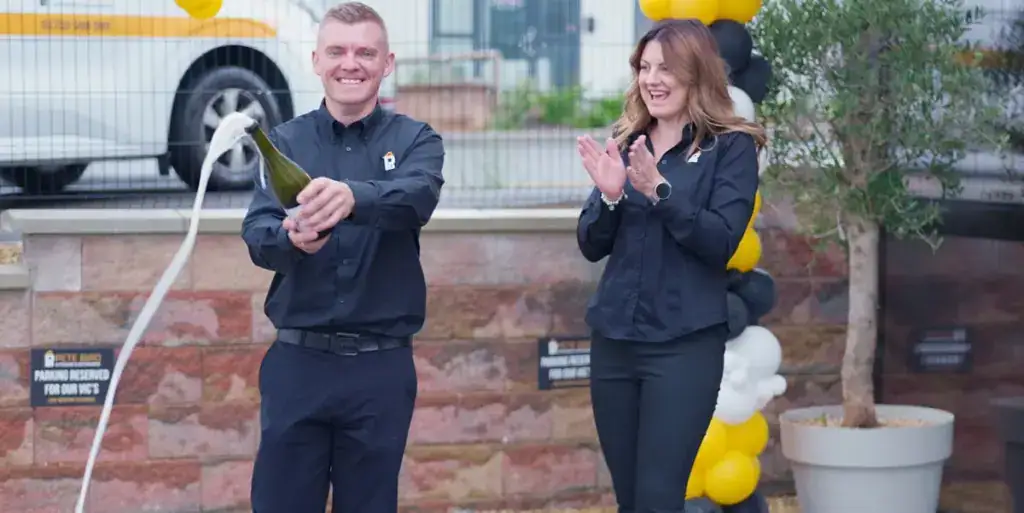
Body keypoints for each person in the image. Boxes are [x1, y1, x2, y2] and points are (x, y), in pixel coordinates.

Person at [240, 2, 445, 512]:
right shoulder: (284, 142)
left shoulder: (417, 140)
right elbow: (257, 232)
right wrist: (291, 239)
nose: (350, 63)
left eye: (364, 52)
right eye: (337, 51)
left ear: (387, 62)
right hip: (298, 364)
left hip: (380, 369)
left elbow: (417, 197)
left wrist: (355, 197)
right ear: (316, 60)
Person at [575, 18, 767, 513]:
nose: (652, 79)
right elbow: (591, 244)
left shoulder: (732, 147)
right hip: (615, 344)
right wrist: (613, 196)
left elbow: (720, 241)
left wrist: (660, 191)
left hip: (682, 349)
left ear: (697, 73)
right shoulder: (626, 140)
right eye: (645, 67)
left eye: (667, 68)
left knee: (659, 499)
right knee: (629, 500)